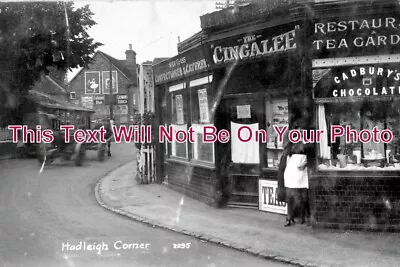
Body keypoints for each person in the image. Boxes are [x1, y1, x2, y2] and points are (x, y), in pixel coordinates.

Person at [283, 140, 309, 227]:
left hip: (302, 173)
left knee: (302, 197)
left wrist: (305, 164)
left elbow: (311, 157)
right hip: (292, 172)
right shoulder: (291, 143)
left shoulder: (307, 142)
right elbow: (287, 154)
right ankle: (289, 217)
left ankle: (302, 216)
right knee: (290, 197)